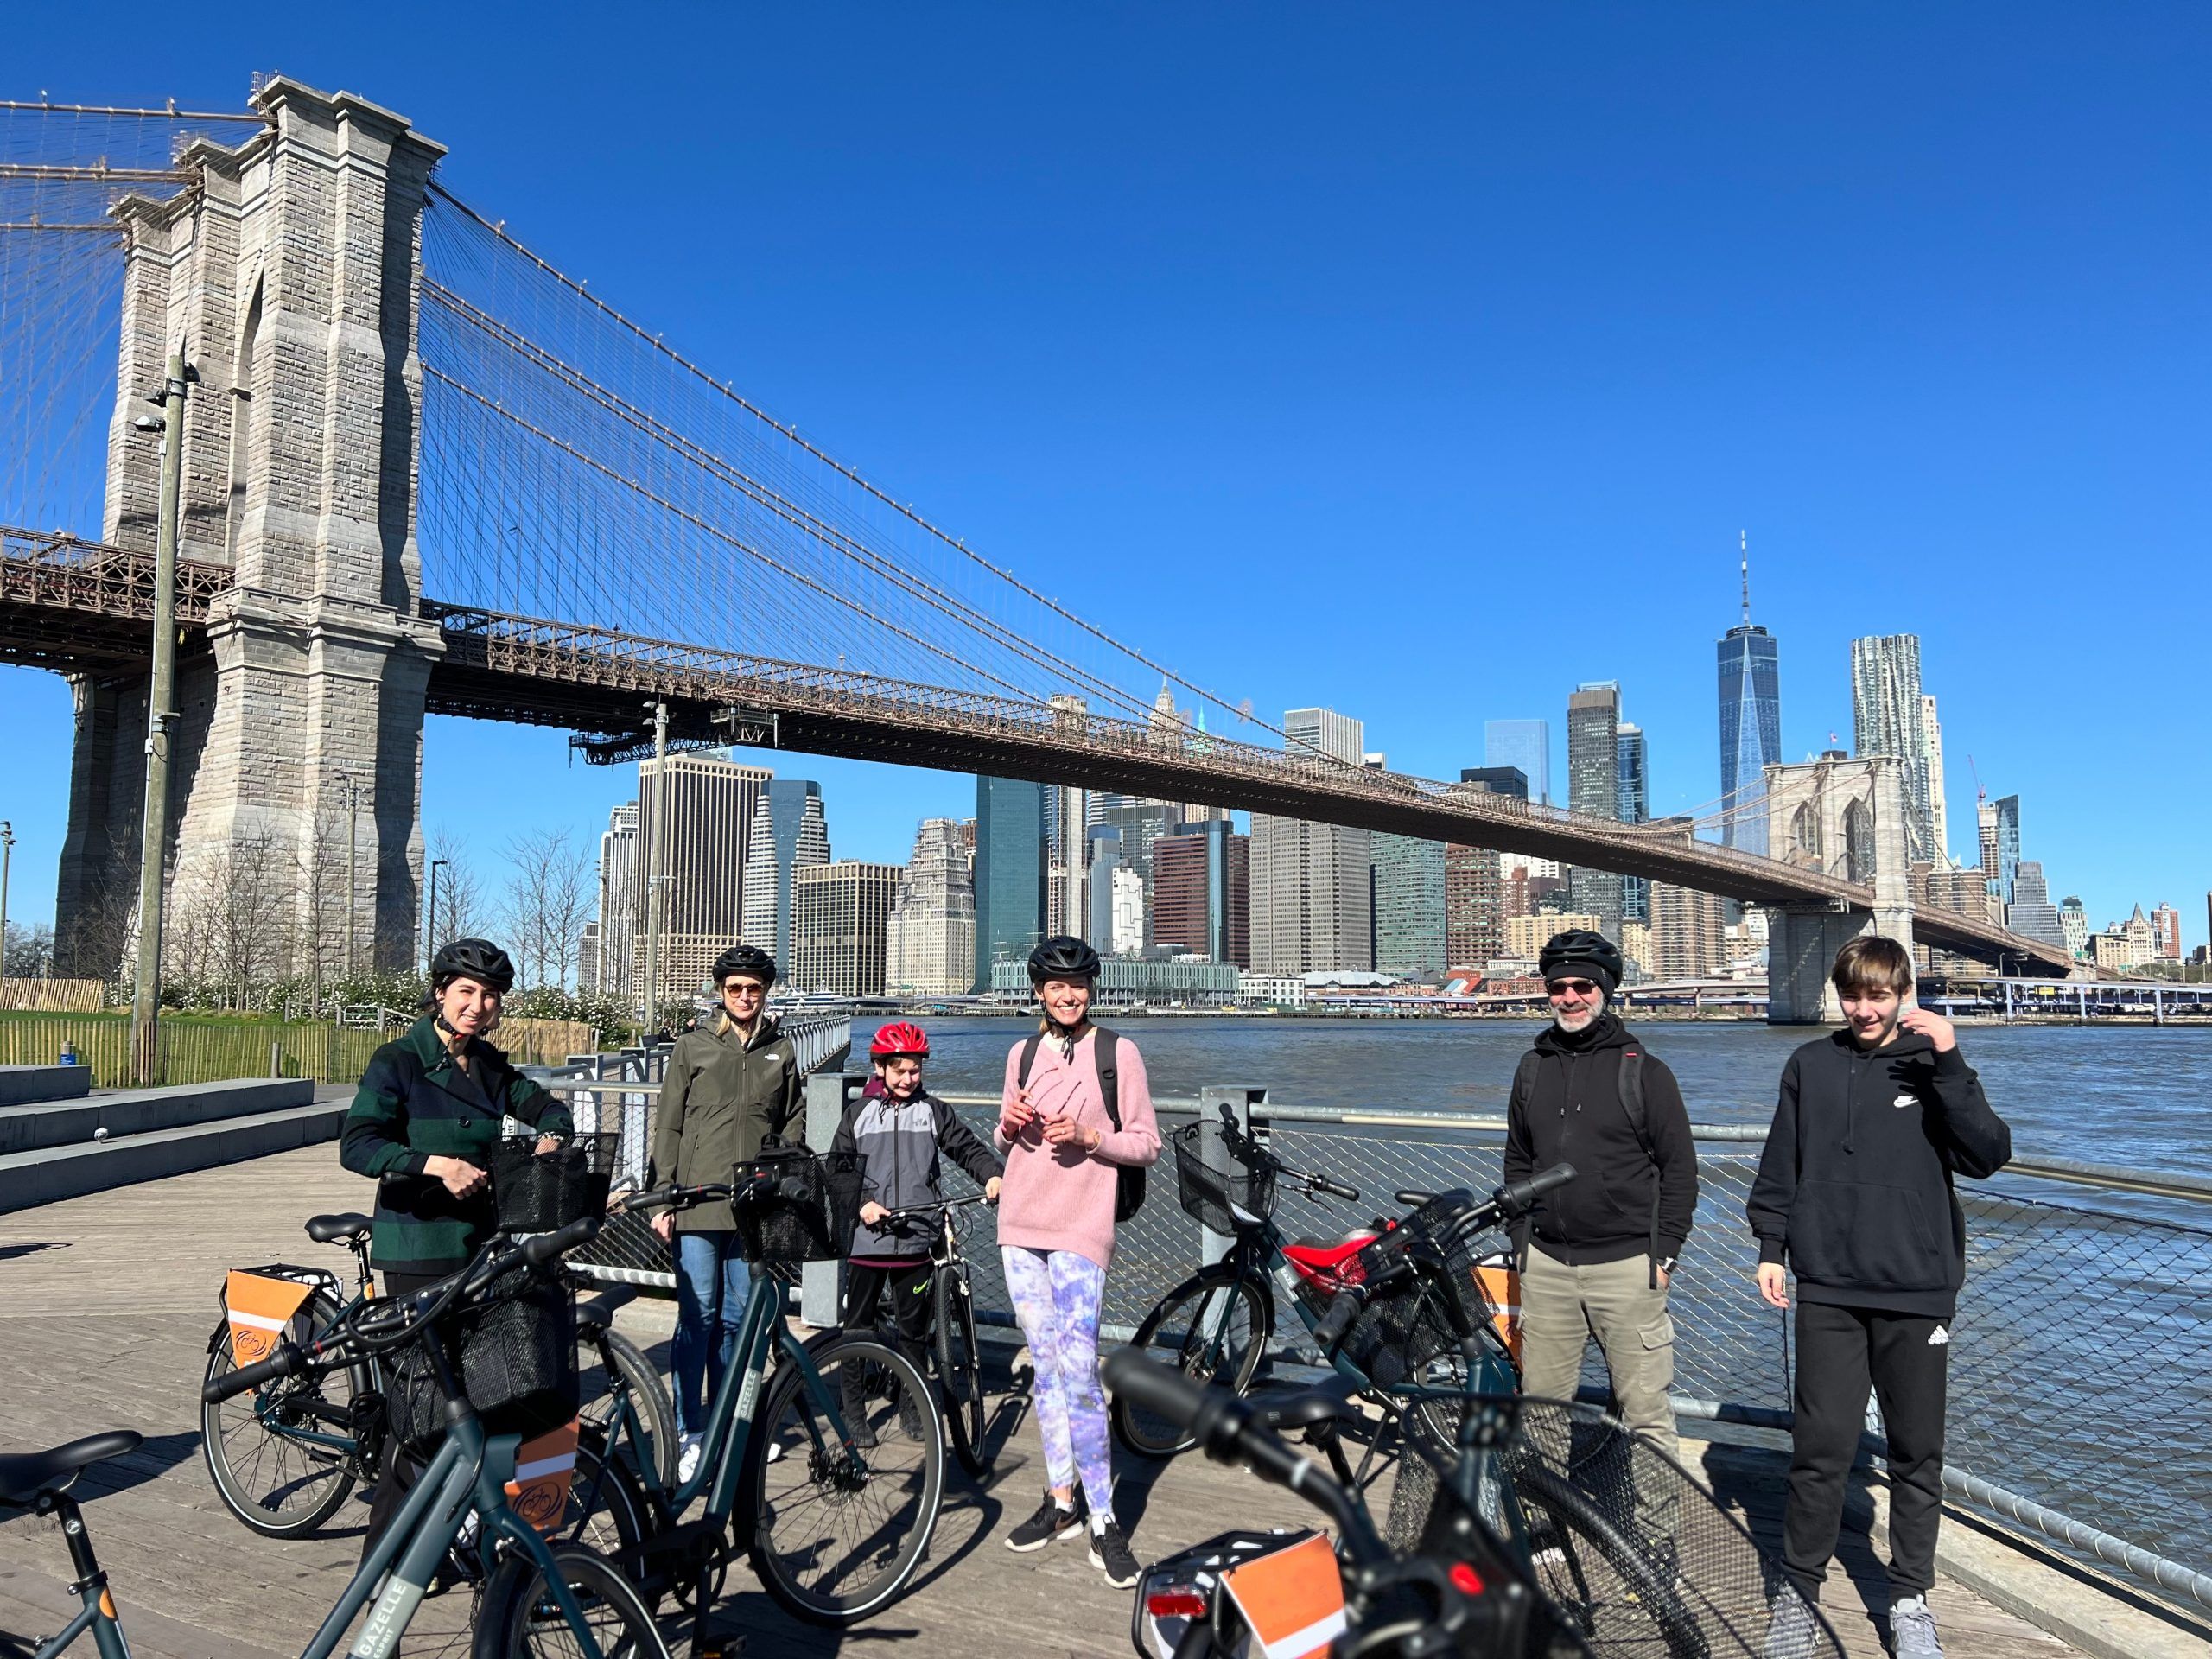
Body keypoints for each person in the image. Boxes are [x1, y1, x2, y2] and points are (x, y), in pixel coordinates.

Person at [1750, 937, 2011, 1659]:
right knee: (1820, 1450)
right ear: (1840, 994)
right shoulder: (1809, 1065)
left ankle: (1910, 1600)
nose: (1865, 1009)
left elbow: (1988, 1154)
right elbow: (1782, 1162)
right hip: (1828, 1285)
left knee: (1915, 1454)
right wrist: (1771, 1248)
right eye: (1853, 994)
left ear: (1904, 993)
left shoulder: (1931, 1064)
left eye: (1880, 995)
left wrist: (1951, 1060)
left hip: (1918, 1289)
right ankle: (1798, 1598)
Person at [339, 937, 573, 1563]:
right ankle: (385, 1559)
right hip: (418, 1248)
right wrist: (432, 1164)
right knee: (419, 1410)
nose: (478, 1005)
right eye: (466, 991)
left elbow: (545, 1104)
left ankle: (450, 1526)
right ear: (440, 992)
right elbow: (357, 1145)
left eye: (490, 996)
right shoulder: (400, 1060)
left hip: (478, 1249)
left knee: (477, 1397)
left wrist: (552, 1132)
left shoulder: (488, 1066)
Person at [1502, 928, 1699, 1548]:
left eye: (1582, 985)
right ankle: (1545, 1532)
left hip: (1627, 1267)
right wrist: (1521, 1242)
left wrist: (1663, 1254)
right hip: (1549, 1266)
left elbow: (1680, 1170)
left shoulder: (1646, 1072)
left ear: (1606, 990)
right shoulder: (1531, 1070)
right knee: (1542, 1412)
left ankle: (1656, 1542)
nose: (1569, 996)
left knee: (1645, 1417)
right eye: (1557, 987)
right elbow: (1517, 1161)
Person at [995, 935, 1160, 1589]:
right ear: (1037, 990)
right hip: (1019, 1225)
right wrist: (1009, 1123)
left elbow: (1146, 1144)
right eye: (1056, 986)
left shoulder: (1119, 1053)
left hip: (1080, 1230)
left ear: (1093, 988)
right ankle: (1060, 1500)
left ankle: (1105, 1518)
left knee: (1081, 1372)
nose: (1068, 995)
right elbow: (1007, 1139)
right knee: (1044, 1370)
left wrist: (1092, 1137)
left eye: (1080, 984)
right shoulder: (1021, 1051)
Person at [648, 944, 801, 1481]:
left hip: (750, 1205)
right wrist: (664, 1192)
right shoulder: (692, 1047)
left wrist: (778, 1168)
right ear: (720, 992)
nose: (744, 996)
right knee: (699, 1317)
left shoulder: (780, 1051)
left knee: (739, 1321)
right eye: (735, 988)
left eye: (754, 988)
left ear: (766, 992)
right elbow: (667, 1123)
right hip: (696, 1200)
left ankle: (728, 1425)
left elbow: (793, 1119)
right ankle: (691, 1429)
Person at [830, 1020, 1003, 1446]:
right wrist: (863, 1204)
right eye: (900, 1070)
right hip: (867, 1241)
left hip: (916, 1239)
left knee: (914, 1332)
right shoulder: (858, 1114)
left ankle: (912, 1405)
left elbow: (967, 1148)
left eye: (916, 1070)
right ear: (879, 1067)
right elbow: (837, 1170)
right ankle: (852, 1411)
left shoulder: (934, 1112)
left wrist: (993, 1175)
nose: (909, 1078)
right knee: (858, 1328)